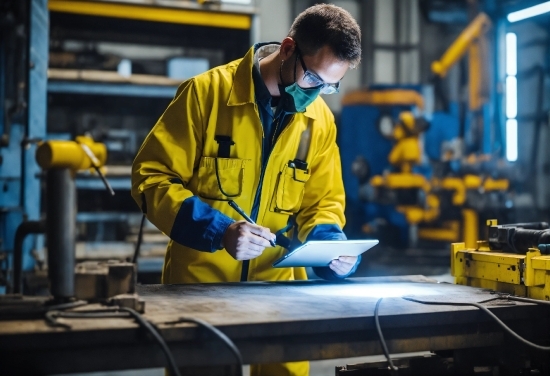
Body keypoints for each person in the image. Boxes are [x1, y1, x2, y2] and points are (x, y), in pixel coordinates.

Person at [131, 4, 362, 375]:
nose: (317, 95)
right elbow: (151, 177)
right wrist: (218, 230)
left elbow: (323, 202)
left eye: (329, 86)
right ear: (287, 48)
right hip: (200, 292)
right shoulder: (206, 95)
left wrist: (330, 245)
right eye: (313, 80)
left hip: (280, 291)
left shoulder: (319, 122)